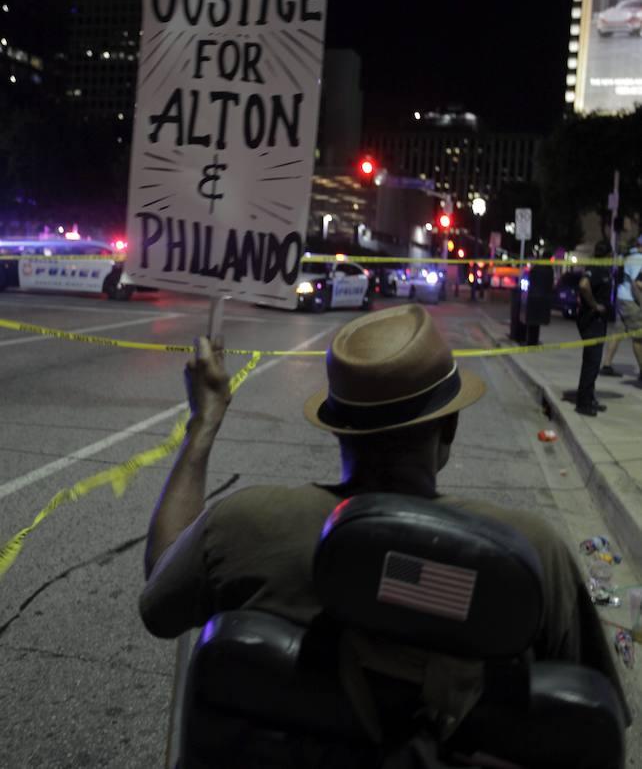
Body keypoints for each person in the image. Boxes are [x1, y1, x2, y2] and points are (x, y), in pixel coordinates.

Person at [139, 304, 631, 735]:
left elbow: (159, 601)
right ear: (450, 426)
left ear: (337, 429)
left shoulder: (244, 526)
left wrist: (202, 425)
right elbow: (590, 718)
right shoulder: (528, 554)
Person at [575, 240, 613, 417]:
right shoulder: (597, 269)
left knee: (593, 362)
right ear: (608, 256)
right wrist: (595, 305)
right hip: (592, 321)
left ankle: (588, 398)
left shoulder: (599, 268)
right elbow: (583, 285)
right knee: (591, 363)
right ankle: (583, 403)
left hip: (596, 322)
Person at [610, 234, 642, 388]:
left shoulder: (630, 256)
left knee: (617, 333)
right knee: (638, 338)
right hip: (631, 301)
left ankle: (606, 364)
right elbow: (637, 284)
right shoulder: (639, 259)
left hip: (621, 297)